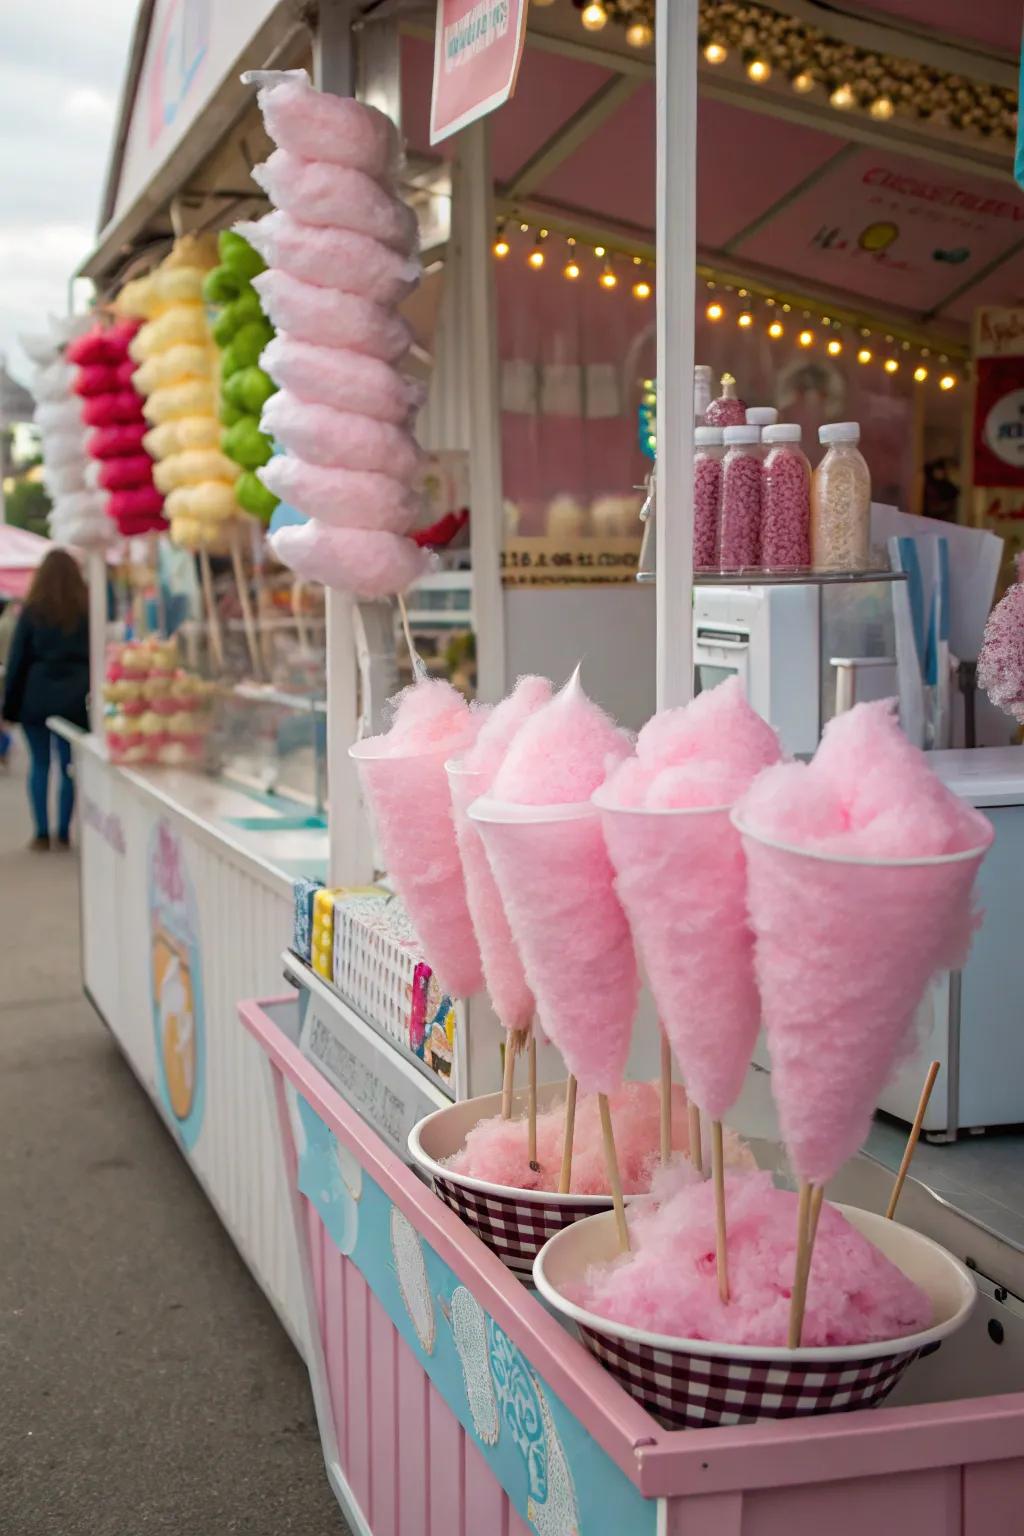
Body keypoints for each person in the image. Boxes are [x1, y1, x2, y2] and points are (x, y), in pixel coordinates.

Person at [1, 550, 90, 850]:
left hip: (36, 694)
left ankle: (41, 832)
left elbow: (17, 661)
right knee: (68, 766)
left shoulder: (32, 610)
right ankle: (64, 831)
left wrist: (8, 707)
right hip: (75, 697)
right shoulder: (86, 609)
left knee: (39, 764)